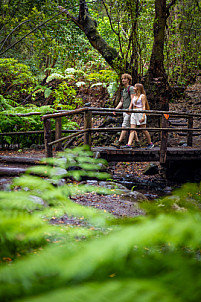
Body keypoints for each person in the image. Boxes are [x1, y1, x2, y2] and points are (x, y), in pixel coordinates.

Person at [123, 83, 154, 150]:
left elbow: (143, 106)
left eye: (135, 87)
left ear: (138, 88)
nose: (133, 88)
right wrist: (129, 110)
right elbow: (131, 105)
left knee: (143, 129)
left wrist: (143, 115)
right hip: (134, 113)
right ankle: (129, 144)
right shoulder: (134, 96)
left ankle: (150, 143)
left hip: (140, 112)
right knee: (132, 129)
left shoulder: (142, 96)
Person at [112, 73, 139, 148]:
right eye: (122, 79)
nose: (123, 80)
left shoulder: (131, 88)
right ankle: (137, 142)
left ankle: (119, 142)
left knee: (124, 125)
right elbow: (122, 101)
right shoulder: (124, 90)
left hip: (130, 111)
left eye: (125, 78)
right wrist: (116, 109)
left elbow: (133, 99)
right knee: (131, 126)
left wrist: (130, 109)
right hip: (125, 110)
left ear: (128, 80)